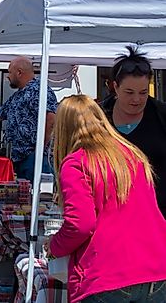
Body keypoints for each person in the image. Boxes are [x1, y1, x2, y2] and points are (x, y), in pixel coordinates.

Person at [48, 95, 166, 303]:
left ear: (62, 129)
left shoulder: (77, 163)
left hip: (107, 273)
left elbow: (80, 224)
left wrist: (55, 246)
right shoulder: (132, 155)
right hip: (155, 269)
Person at [100, 47, 166, 218]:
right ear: (115, 86)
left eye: (143, 93)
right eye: (129, 92)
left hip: (156, 214)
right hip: (110, 214)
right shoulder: (99, 118)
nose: (136, 99)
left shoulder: (162, 116)